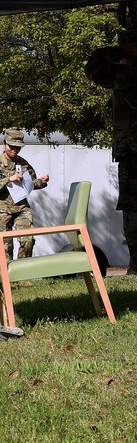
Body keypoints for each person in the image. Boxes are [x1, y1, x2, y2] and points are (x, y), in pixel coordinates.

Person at [85, 28, 137, 274]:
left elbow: (93, 68)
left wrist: (119, 51)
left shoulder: (129, 76)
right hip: (130, 152)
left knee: (132, 208)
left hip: (133, 153)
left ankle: (136, 263)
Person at [0, 128, 49, 268]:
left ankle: (22, 273)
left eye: (18, 147)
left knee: (28, 240)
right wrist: (8, 179)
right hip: (1, 210)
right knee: (5, 247)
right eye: (11, 146)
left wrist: (42, 181)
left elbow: (30, 184)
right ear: (4, 144)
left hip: (21, 208)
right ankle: (7, 276)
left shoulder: (23, 163)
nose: (14, 150)